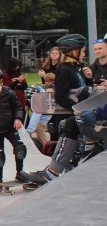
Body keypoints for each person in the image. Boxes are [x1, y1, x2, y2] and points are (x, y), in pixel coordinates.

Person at [19, 34, 98, 187]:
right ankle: (59, 171)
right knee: (69, 132)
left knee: (74, 137)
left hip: (85, 113)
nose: (84, 54)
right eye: (82, 51)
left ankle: (59, 171)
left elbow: (86, 90)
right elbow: (61, 96)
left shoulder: (79, 68)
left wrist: (89, 79)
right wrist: (77, 109)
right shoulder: (65, 70)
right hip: (71, 113)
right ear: (74, 52)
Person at [0, 66, 27, 183]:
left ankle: (19, 173)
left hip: (9, 127)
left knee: (20, 148)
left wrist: (18, 118)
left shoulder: (8, 92)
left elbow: (17, 107)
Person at [26, 72, 55, 147]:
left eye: (50, 81)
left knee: (41, 134)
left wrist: (29, 131)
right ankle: (47, 147)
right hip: (46, 116)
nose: (47, 83)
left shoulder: (41, 97)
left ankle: (49, 148)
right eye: (46, 81)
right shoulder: (42, 89)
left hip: (43, 119)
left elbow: (36, 114)